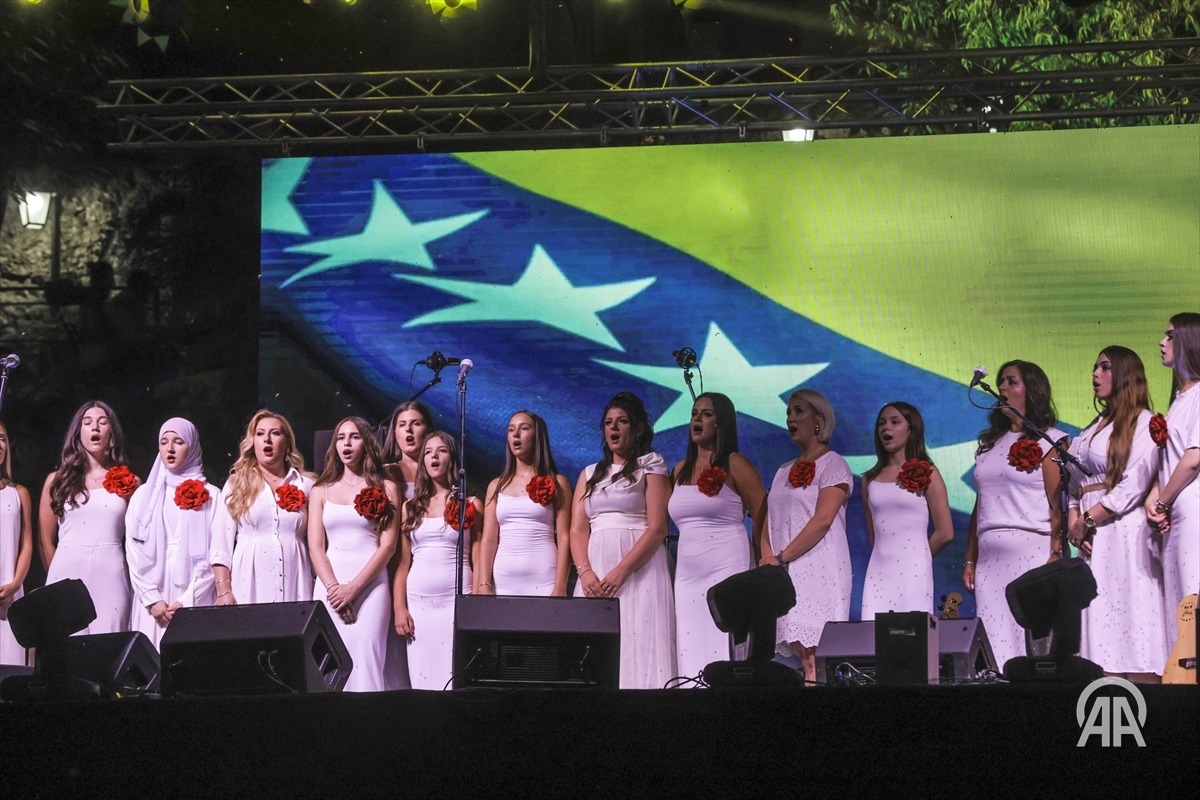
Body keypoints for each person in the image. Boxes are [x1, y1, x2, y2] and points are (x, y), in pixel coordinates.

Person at [1067, 347, 1165, 681]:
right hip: (1091, 538)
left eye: (1105, 367)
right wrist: (1075, 519)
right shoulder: (1093, 426)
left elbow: (1134, 484)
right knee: (1099, 620)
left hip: (1123, 533)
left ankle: (1143, 697)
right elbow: (1074, 484)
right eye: (1095, 367)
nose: (1095, 374)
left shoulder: (1144, 423)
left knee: (1131, 619)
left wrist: (1088, 520)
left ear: (1124, 374)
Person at [963, 361, 1068, 670]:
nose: (1002, 388)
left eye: (1011, 381)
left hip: (1030, 554)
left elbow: (1057, 504)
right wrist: (970, 558)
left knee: (1028, 639)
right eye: (1001, 382)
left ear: (1032, 390)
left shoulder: (1050, 440)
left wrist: (1056, 552)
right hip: (989, 560)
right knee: (993, 638)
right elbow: (980, 506)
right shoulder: (989, 446)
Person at [571, 391, 676, 689]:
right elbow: (577, 529)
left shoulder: (651, 465)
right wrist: (585, 572)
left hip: (639, 568)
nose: (614, 428)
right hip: (595, 570)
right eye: (608, 423)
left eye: (622, 421)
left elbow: (658, 527)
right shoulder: (590, 473)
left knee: (639, 638)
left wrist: (622, 570)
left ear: (638, 429)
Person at [755, 389, 852, 685]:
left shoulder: (834, 464)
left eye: (799, 411)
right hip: (785, 571)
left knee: (816, 657)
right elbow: (768, 521)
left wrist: (781, 557)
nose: (791, 418)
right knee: (801, 655)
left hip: (819, 566)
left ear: (819, 420)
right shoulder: (782, 470)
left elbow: (822, 521)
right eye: (788, 413)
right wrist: (769, 559)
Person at [668, 392, 764, 682]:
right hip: (687, 572)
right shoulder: (679, 470)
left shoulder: (735, 464)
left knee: (723, 639)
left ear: (721, 423)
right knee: (690, 639)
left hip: (727, 565)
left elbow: (763, 514)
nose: (697, 419)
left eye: (706, 414)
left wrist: (765, 557)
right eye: (694, 413)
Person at [309, 416, 400, 692]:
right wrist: (334, 590)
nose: (346, 444)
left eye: (354, 437)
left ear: (367, 442)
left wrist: (352, 589)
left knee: (367, 659)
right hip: (329, 586)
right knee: (328, 665)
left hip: (370, 586)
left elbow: (388, 546)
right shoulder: (321, 490)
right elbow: (316, 547)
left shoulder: (387, 487)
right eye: (341, 438)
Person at [395, 431, 482, 690]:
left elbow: (479, 557)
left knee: (454, 678)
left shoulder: (471, 503)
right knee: (422, 681)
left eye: (441, 451)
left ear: (452, 458)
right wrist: (399, 608)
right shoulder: (410, 507)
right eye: (428, 452)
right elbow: (403, 564)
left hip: (456, 600)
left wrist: (477, 602)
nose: (434, 456)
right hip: (418, 605)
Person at [39, 401, 134, 634]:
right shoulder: (57, 480)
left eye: (102, 422)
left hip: (111, 572)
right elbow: (45, 541)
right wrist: (58, 584)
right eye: (87, 422)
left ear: (112, 434)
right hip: (67, 570)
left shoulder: (129, 482)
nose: (95, 428)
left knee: (109, 643)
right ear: (77, 432)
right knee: (66, 646)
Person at [125, 417, 219, 650]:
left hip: (193, 596)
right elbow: (133, 549)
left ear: (192, 446)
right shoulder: (143, 495)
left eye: (178, 442)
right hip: (153, 597)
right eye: (164, 442)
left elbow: (216, 553)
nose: (170, 448)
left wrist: (188, 600)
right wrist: (152, 598)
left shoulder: (211, 496)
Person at [860, 402, 954, 618]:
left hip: (914, 571)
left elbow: (945, 532)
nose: (886, 428)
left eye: (895, 422)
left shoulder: (928, 473)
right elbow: (874, 535)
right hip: (878, 570)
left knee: (910, 631)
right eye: (881, 423)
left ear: (912, 429)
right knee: (875, 631)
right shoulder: (869, 480)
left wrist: (918, 558)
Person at [210, 410, 314, 606]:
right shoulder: (236, 484)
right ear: (253, 442)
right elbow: (220, 544)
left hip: (296, 582)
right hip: (249, 584)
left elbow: (318, 543)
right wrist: (223, 591)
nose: (267, 439)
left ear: (287, 442)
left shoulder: (306, 485)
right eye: (260, 434)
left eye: (275, 433)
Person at [1145, 312, 1200, 648]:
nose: (1162, 342)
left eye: (1170, 336)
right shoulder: (1179, 399)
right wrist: (1154, 496)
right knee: (1177, 604)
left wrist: (1162, 501)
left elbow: (1193, 458)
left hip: (1191, 510)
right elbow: (1170, 458)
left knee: (1191, 597)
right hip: (1174, 513)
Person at [475, 411, 572, 597]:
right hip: (503, 581)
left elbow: (564, 537)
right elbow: (488, 539)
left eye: (524, 428)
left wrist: (560, 587)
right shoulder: (496, 486)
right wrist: (484, 584)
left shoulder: (558, 482)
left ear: (537, 435)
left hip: (544, 579)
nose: (516, 434)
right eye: (511, 430)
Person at [379, 400, 435, 689]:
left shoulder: (441, 472)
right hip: (389, 564)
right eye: (402, 425)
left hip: (425, 570)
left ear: (428, 429)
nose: (409, 431)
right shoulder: (384, 473)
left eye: (416, 423)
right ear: (394, 433)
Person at [0, 422, 33, 664]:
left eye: (2, 438)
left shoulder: (19, 492)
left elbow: (27, 543)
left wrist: (15, 583)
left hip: (10, 594)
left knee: (11, 670)